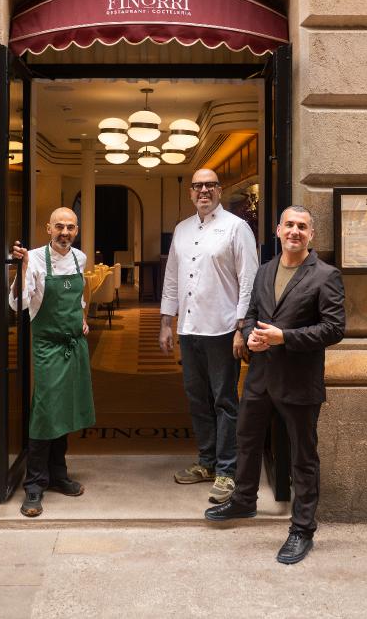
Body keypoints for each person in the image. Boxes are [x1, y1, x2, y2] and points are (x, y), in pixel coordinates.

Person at [205, 205, 345, 565]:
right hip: (260, 377)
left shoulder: (326, 275)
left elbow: (334, 329)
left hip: (299, 381)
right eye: (289, 225)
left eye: (302, 226)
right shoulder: (265, 270)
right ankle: (244, 500)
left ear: (311, 234)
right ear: (278, 230)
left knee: (303, 457)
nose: (295, 231)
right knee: (247, 440)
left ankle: (302, 529)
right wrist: (251, 335)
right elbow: (253, 313)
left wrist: (286, 337)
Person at [160, 168, 258, 503]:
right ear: (191, 192)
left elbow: (249, 281)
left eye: (210, 185)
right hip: (189, 329)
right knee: (197, 399)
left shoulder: (236, 227)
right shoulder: (182, 229)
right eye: (198, 186)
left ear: (219, 190)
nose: (204, 191)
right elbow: (172, 278)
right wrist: (166, 322)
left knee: (224, 400)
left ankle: (228, 471)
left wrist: (242, 328)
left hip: (222, 330)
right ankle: (207, 462)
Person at [9, 207, 95, 517]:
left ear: (76, 230)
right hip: (47, 346)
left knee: (66, 409)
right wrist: (21, 270)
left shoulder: (79, 258)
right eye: (59, 226)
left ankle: (58, 474)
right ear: (48, 228)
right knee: (45, 411)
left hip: (74, 345)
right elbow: (18, 303)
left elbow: (80, 297)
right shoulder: (33, 259)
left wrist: (82, 318)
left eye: (70, 227)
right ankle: (34, 483)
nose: (65, 232)